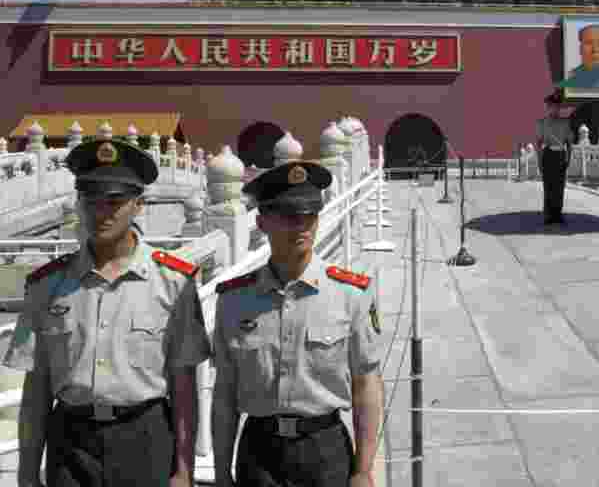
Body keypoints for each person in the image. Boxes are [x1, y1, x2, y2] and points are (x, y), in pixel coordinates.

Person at [3, 139, 211, 487]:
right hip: (71, 440)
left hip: (144, 437)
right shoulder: (47, 284)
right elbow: (36, 388)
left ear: (138, 205)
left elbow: (183, 383)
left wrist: (184, 466)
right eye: (91, 201)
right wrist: (27, 472)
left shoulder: (173, 282)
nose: (102, 212)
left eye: (114, 202)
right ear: (79, 203)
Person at [211, 160, 384, 487]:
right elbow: (225, 392)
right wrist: (222, 471)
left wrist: (363, 470)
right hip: (259, 454)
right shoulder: (233, 300)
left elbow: (366, 386)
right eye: (290, 216)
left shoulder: (350, 294)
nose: (302, 226)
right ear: (261, 222)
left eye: (310, 216)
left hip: (325, 450)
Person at [536, 92, 573, 227]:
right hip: (548, 155)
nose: (554, 109)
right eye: (551, 106)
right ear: (548, 107)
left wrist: (569, 158)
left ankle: (557, 214)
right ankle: (548, 215)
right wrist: (539, 160)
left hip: (560, 155)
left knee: (559, 187)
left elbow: (569, 142)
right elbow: (538, 143)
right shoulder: (542, 123)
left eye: (557, 107)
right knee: (548, 186)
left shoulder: (565, 123)